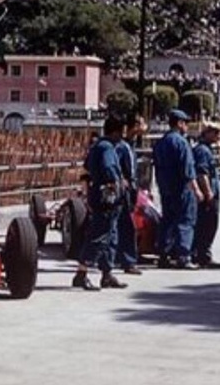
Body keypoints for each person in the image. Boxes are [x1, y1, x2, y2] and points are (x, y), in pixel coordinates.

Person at [73, 115, 126, 292]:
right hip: (106, 198)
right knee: (100, 235)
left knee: (110, 236)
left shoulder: (97, 146)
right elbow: (109, 169)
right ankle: (82, 272)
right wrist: (117, 184)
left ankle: (107, 273)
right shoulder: (107, 148)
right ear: (116, 131)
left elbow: (86, 170)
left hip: (98, 195)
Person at [153, 109, 201, 269]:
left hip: (165, 187)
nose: (187, 126)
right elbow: (188, 170)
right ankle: (183, 256)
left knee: (167, 220)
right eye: (186, 123)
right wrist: (196, 189)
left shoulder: (161, 142)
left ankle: (163, 254)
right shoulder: (181, 142)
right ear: (179, 123)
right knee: (185, 221)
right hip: (181, 188)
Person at [115, 114, 146, 275]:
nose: (145, 127)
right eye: (141, 123)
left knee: (124, 225)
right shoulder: (122, 147)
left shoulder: (130, 145)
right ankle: (127, 260)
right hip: (123, 192)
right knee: (126, 226)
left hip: (129, 191)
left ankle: (121, 258)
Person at [191, 121, 220, 267]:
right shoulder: (202, 150)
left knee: (210, 224)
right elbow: (202, 173)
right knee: (206, 225)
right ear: (207, 133)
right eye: (215, 132)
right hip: (208, 194)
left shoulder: (208, 149)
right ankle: (202, 255)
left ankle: (203, 253)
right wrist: (208, 192)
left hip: (212, 191)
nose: (218, 135)